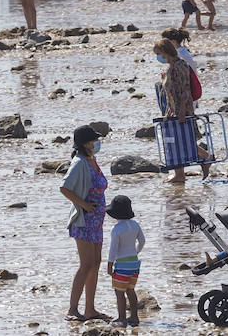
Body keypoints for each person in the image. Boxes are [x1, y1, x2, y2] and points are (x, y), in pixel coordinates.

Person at [60, 124, 110, 323]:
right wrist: (83, 205)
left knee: (96, 263)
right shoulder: (79, 162)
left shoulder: (92, 159)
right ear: (84, 143)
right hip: (84, 220)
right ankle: (72, 309)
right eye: (93, 140)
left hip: (96, 221)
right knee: (86, 264)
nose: (96, 142)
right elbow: (64, 188)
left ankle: (90, 309)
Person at [155, 37, 196, 184]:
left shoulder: (180, 65)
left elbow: (185, 89)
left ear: (166, 52)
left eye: (159, 54)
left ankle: (205, 159)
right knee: (177, 142)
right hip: (173, 109)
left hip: (181, 109)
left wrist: (182, 110)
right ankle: (179, 174)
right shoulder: (172, 66)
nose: (159, 57)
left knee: (183, 141)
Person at [106, 195, 145, 329]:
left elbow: (113, 249)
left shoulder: (116, 229)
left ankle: (122, 319)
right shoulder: (135, 225)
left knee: (119, 292)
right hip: (134, 263)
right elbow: (142, 241)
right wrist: (135, 252)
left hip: (122, 264)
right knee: (131, 290)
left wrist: (110, 264)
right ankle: (134, 317)